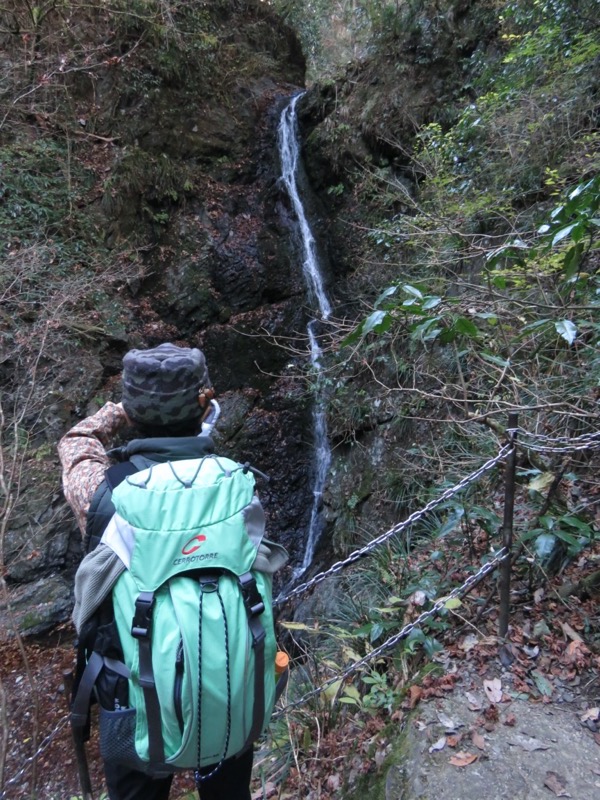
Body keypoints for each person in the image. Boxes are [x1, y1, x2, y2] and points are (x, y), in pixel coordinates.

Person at [58, 343, 254, 800]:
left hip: (132, 698)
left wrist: (118, 411)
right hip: (228, 684)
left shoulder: (102, 495)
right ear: (204, 404)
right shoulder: (238, 487)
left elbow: (75, 443)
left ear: (134, 409)